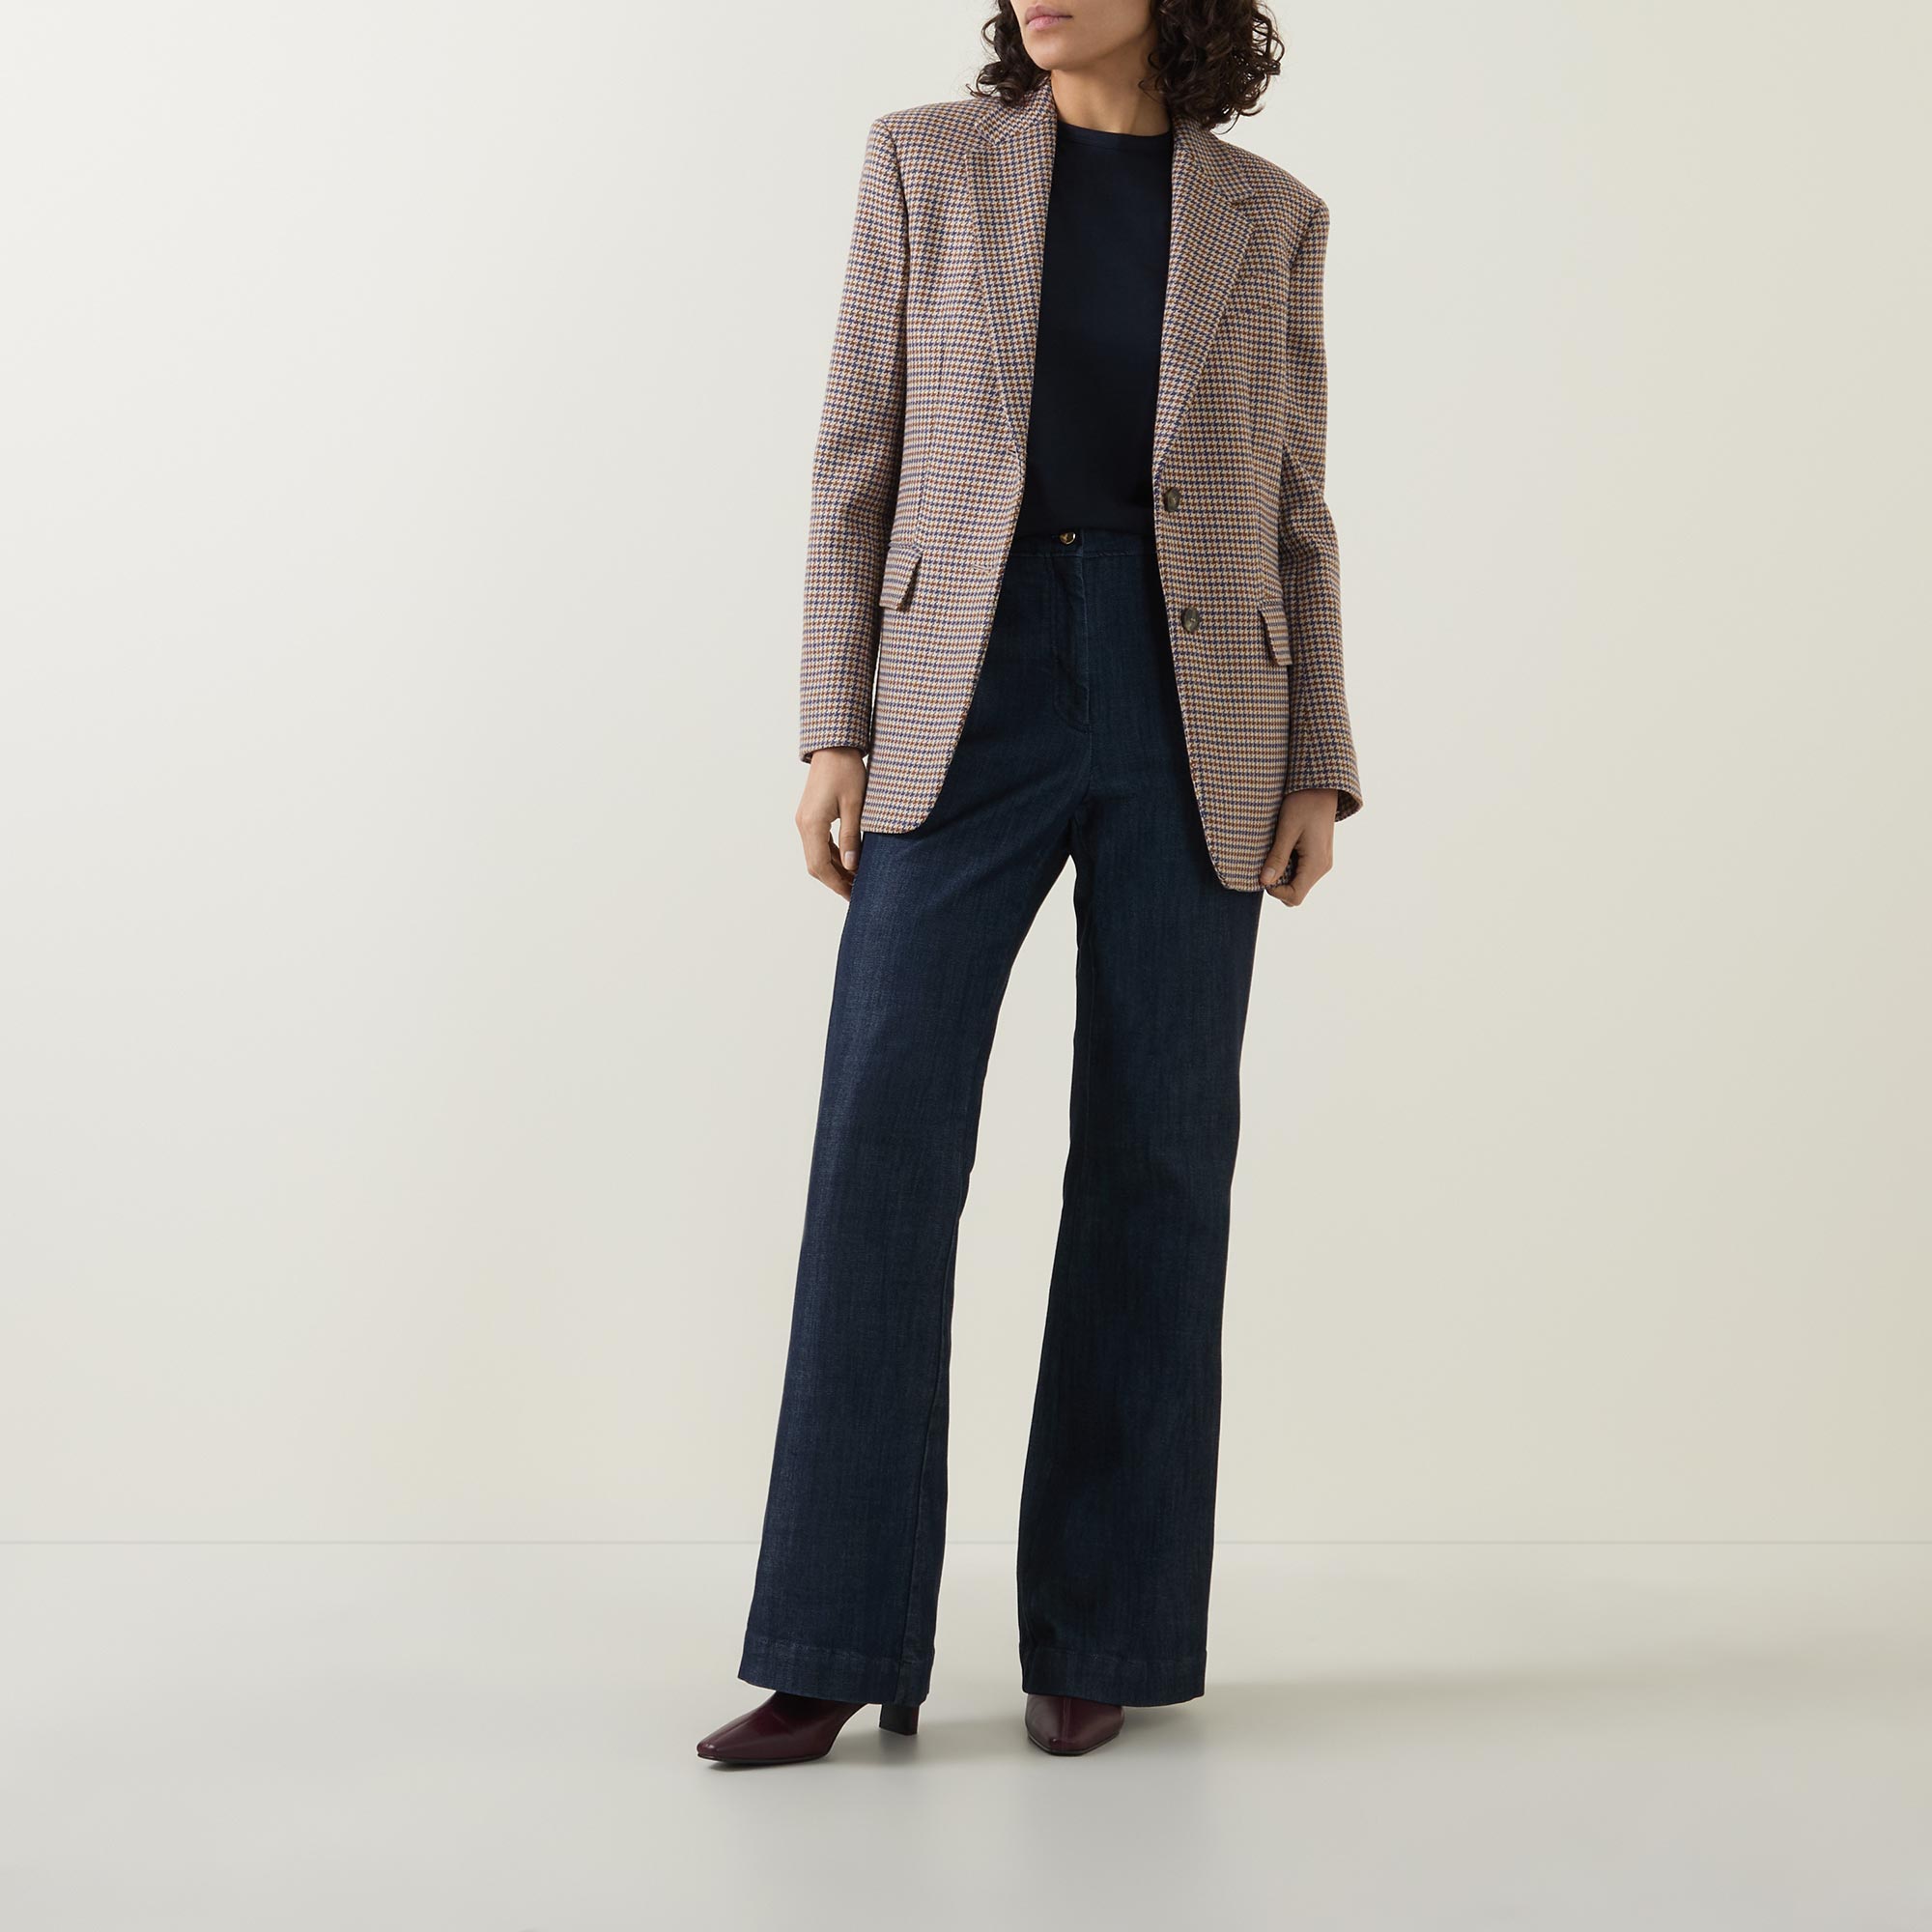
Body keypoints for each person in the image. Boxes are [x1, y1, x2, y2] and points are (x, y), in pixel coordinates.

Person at [697, 0, 1360, 1765]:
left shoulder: (1271, 216)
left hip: (1196, 692)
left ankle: (1104, 1631)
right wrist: (835, 723)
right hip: (960, 682)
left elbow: (1297, 502)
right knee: (883, 1135)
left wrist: (1319, 753)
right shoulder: (924, 163)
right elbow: (855, 454)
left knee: (1159, 1152)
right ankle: (834, 1640)